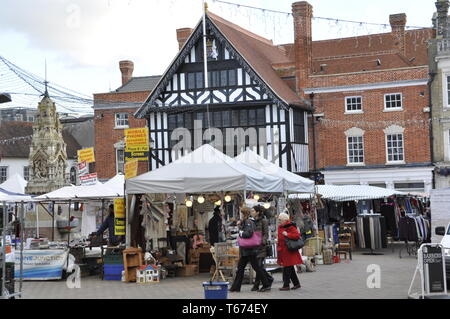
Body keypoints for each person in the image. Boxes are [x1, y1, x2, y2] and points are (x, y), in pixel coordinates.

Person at [229, 207, 271, 293]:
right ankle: (236, 287)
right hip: (247, 250)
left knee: (255, 268)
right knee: (242, 268)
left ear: (243, 213)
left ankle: (266, 284)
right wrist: (239, 225)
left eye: (241, 213)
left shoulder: (248, 221)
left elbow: (248, 233)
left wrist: (240, 233)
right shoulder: (247, 221)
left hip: (249, 250)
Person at [277, 212, 302, 291]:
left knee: (287, 268)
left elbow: (297, 236)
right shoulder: (280, 226)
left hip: (289, 250)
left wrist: (287, 234)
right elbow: (281, 237)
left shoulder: (290, 226)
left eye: (280, 220)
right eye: (279, 219)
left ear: (285, 220)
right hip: (283, 250)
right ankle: (296, 284)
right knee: (289, 268)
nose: (279, 221)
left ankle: (286, 285)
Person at [251, 205, 274, 291]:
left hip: (262, 247)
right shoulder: (253, 221)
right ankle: (259, 284)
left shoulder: (264, 221)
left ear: (257, 212)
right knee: (258, 266)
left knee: (259, 267)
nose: (251, 212)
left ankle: (266, 283)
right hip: (254, 246)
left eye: (253, 211)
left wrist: (262, 241)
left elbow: (266, 233)